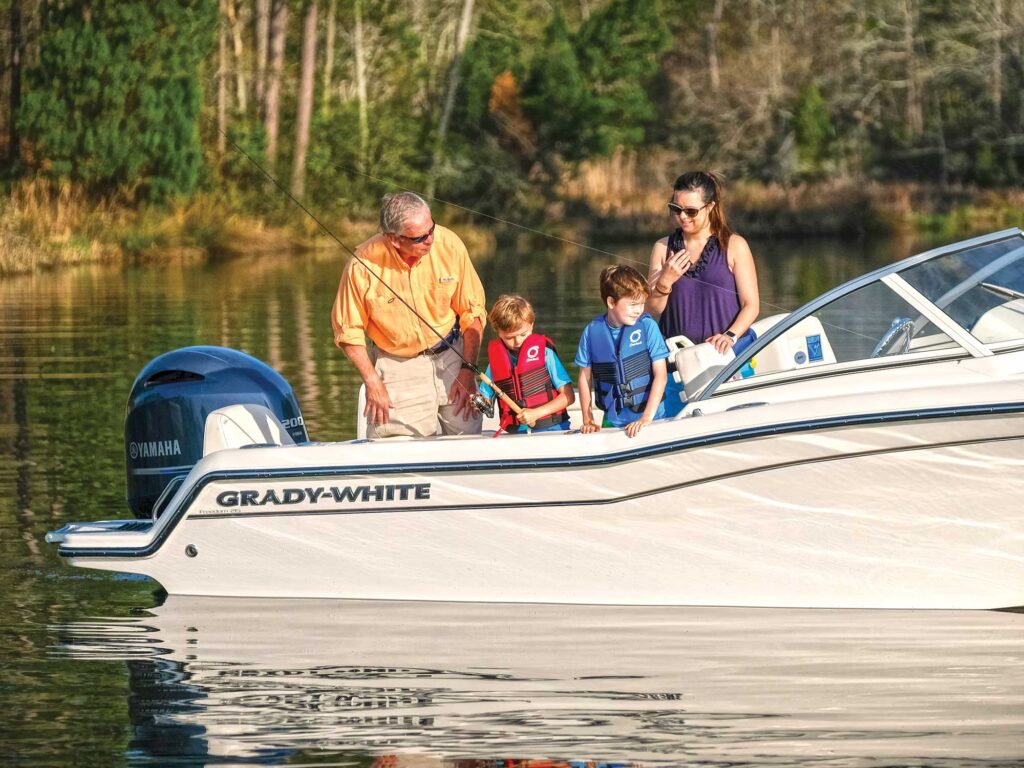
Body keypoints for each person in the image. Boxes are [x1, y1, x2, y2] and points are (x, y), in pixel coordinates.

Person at [331, 191, 486, 438]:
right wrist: (372, 381)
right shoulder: (363, 264)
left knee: (468, 439)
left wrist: (468, 370)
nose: (430, 239)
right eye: (420, 237)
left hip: (453, 355)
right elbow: (348, 330)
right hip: (397, 364)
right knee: (398, 450)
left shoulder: (450, 244)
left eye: (431, 229)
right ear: (394, 239)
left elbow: (473, 311)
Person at [645, 171, 759, 414]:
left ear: (710, 207)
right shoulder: (662, 248)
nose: (682, 217)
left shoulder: (734, 245)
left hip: (728, 361)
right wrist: (665, 281)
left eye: (691, 211)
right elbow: (650, 310)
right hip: (679, 367)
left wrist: (730, 335)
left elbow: (752, 305)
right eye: (676, 209)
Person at [575, 265, 669, 438]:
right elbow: (584, 377)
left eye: (642, 303)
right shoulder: (591, 332)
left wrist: (646, 419)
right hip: (611, 420)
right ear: (611, 302)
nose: (639, 310)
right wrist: (587, 419)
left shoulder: (648, 326)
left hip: (653, 416)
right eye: (633, 304)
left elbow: (661, 375)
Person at [476, 294, 575, 435]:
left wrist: (536, 413)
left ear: (532, 325)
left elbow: (569, 396)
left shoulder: (546, 354)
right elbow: (485, 397)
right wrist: (478, 401)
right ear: (498, 332)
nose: (517, 342)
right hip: (516, 434)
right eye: (509, 338)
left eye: (523, 334)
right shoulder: (495, 363)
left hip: (553, 429)